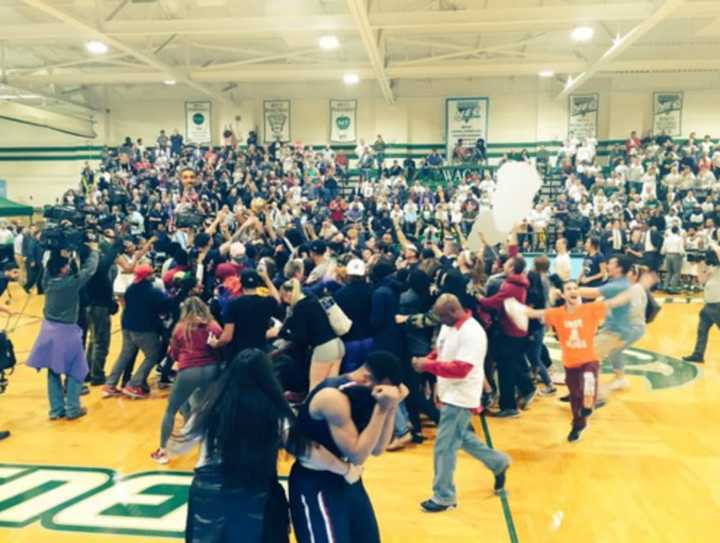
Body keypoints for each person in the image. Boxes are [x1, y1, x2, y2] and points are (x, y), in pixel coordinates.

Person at [170, 349, 362, 543]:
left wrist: (166, 448)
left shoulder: (210, 407)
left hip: (209, 494)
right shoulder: (275, 415)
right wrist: (345, 469)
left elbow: (178, 445)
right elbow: (309, 452)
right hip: (257, 495)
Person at [288, 350, 406, 543]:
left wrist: (391, 406)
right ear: (368, 379)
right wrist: (382, 407)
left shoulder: (366, 392)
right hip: (317, 481)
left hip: (349, 477)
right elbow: (358, 454)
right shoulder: (332, 397)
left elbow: (377, 449)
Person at [514, 277, 652, 441]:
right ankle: (578, 424)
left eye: (575, 288)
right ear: (564, 295)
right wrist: (514, 307)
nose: (573, 291)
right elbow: (534, 313)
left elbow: (615, 302)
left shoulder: (590, 309)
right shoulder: (557, 313)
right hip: (570, 364)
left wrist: (638, 287)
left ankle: (589, 405)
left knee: (588, 380)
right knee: (575, 398)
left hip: (589, 360)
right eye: (569, 289)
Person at [411, 294, 510, 512]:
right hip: (448, 391)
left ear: (453, 312)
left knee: (444, 447)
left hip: (462, 395)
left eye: (440, 316)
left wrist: (427, 366)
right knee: (460, 437)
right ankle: (498, 462)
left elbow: (462, 369)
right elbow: (442, 350)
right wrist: (429, 359)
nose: (438, 320)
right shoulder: (449, 326)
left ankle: (444, 496)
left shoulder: (473, 333)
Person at [26, 245, 99, 420]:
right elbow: (90, 270)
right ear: (62, 270)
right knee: (76, 370)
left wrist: (55, 249)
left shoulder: (47, 282)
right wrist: (94, 251)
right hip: (67, 332)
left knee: (53, 371)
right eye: (66, 266)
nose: (68, 267)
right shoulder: (71, 283)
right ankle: (73, 408)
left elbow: (47, 269)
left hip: (48, 331)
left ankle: (56, 410)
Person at [151, 297, 222, 464]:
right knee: (208, 410)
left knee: (171, 409)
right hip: (211, 368)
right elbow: (221, 346)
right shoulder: (213, 326)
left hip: (189, 369)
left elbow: (174, 353)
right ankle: (213, 448)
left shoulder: (181, 328)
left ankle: (163, 451)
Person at [102, 263, 173, 399]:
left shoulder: (131, 288)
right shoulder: (153, 292)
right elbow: (166, 304)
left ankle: (109, 384)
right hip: (143, 329)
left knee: (125, 355)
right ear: (147, 276)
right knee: (153, 355)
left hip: (127, 326)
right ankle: (134, 384)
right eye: (151, 273)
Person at [477, 255, 536, 417]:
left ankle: (509, 406)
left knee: (505, 369)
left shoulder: (510, 286)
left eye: (507, 264)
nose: (503, 265)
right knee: (510, 364)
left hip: (511, 331)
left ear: (511, 268)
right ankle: (526, 388)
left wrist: (478, 297)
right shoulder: (519, 283)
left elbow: (492, 302)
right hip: (516, 331)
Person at [277, 278, 344, 390]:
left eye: (283, 296)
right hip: (337, 345)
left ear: (289, 294)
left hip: (324, 348)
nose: (284, 301)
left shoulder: (300, 308)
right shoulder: (312, 300)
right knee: (331, 389)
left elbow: (301, 338)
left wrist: (284, 335)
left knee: (315, 388)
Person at [209, 268, 280, 358]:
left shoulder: (233, 304)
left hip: (239, 354)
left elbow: (227, 337)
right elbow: (277, 299)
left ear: (241, 284)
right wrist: (267, 279)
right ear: (258, 283)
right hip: (260, 353)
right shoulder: (267, 302)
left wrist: (216, 344)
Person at [683, 243, 720, 363]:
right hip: (708, 304)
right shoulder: (713, 267)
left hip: (718, 304)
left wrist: (713, 246)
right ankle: (698, 354)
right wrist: (700, 263)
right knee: (701, 330)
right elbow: (702, 280)